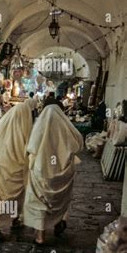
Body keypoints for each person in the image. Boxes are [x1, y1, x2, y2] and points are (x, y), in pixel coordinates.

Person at [23, 105, 84, 245]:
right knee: (60, 200)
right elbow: (79, 144)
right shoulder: (66, 128)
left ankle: (40, 236)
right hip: (62, 171)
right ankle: (59, 222)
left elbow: (31, 147)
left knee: (40, 203)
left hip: (42, 170)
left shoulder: (40, 127)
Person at [0, 103, 33, 241]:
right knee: (17, 196)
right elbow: (30, 149)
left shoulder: (2, 126)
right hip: (17, 167)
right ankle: (15, 219)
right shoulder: (27, 128)